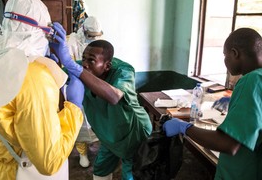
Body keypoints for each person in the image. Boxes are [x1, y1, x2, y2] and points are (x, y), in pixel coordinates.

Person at [0, 0, 84, 180]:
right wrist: (74, 107)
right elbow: (49, 162)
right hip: (21, 171)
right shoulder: (33, 77)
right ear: (41, 31)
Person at [49, 27, 152, 180]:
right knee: (100, 171)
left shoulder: (123, 71)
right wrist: (49, 60)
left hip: (133, 135)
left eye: (91, 60)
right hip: (108, 136)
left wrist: (72, 66)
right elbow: (56, 76)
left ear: (107, 66)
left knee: (132, 174)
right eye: (83, 59)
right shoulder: (84, 67)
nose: (84, 64)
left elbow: (114, 96)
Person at [163, 28, 262, 180]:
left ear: (235, 53)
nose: (225, 61)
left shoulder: (251, 81)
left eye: (225, 55)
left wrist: (184, 127)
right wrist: (236, 101)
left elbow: (229, 144)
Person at [66, 16, 103, 168]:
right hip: (78, 86)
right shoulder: (72, 42)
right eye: (91, 36)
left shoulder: (101, 42)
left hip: (95, 86)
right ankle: (82, 153)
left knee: (98, 120)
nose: (93, 39)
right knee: (80, 121)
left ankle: (100, 149)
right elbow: (67, 64)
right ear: (84, 31)